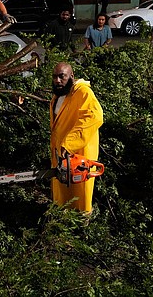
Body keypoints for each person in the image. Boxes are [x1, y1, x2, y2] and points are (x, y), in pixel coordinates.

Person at [50, 62, 104, 211]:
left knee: (80, 197)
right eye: (55, 77)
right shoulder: (58, 96)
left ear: (71, 77)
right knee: (63, 194)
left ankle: (82, 226)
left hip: (79, 156)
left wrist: (70, 144)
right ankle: (62, 221)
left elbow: (93, 116)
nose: (58, 81)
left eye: (62, 76)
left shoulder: (83, 92)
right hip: (61, 154)